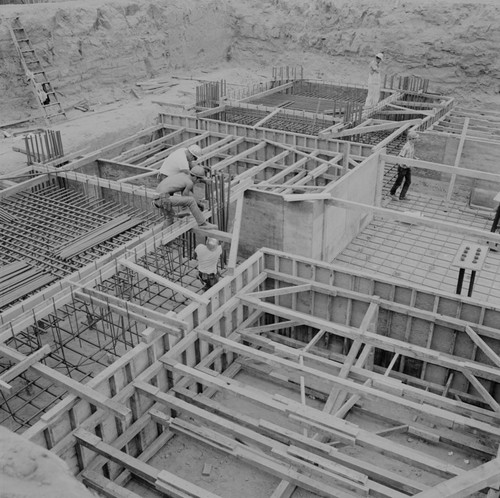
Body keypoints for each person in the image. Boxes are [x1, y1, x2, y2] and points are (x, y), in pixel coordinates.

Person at [152, 166, 216, 229]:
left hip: (157, 199)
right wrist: (198, 204)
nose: (197, 182)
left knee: (170, 218)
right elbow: (186, 196)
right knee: (191, 201)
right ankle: (202, 223)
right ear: (195, 178)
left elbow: (186, 193)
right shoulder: (190, 183)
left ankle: (164, 236)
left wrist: (198, 203)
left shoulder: (183, 176)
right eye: (198, 180)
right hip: (164, 199)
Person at [390, 130, 419, 201]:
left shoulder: (412, 145)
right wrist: (407, 164)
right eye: (416, 138)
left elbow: (410, 154)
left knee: (408, 181)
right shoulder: (406, 147)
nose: (417, 139)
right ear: (411, 139)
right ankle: (392, 193)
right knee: (399, 182)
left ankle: (402, 196)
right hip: (402, 168)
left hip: (407, 167)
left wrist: (415, 158)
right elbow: (400, 157)